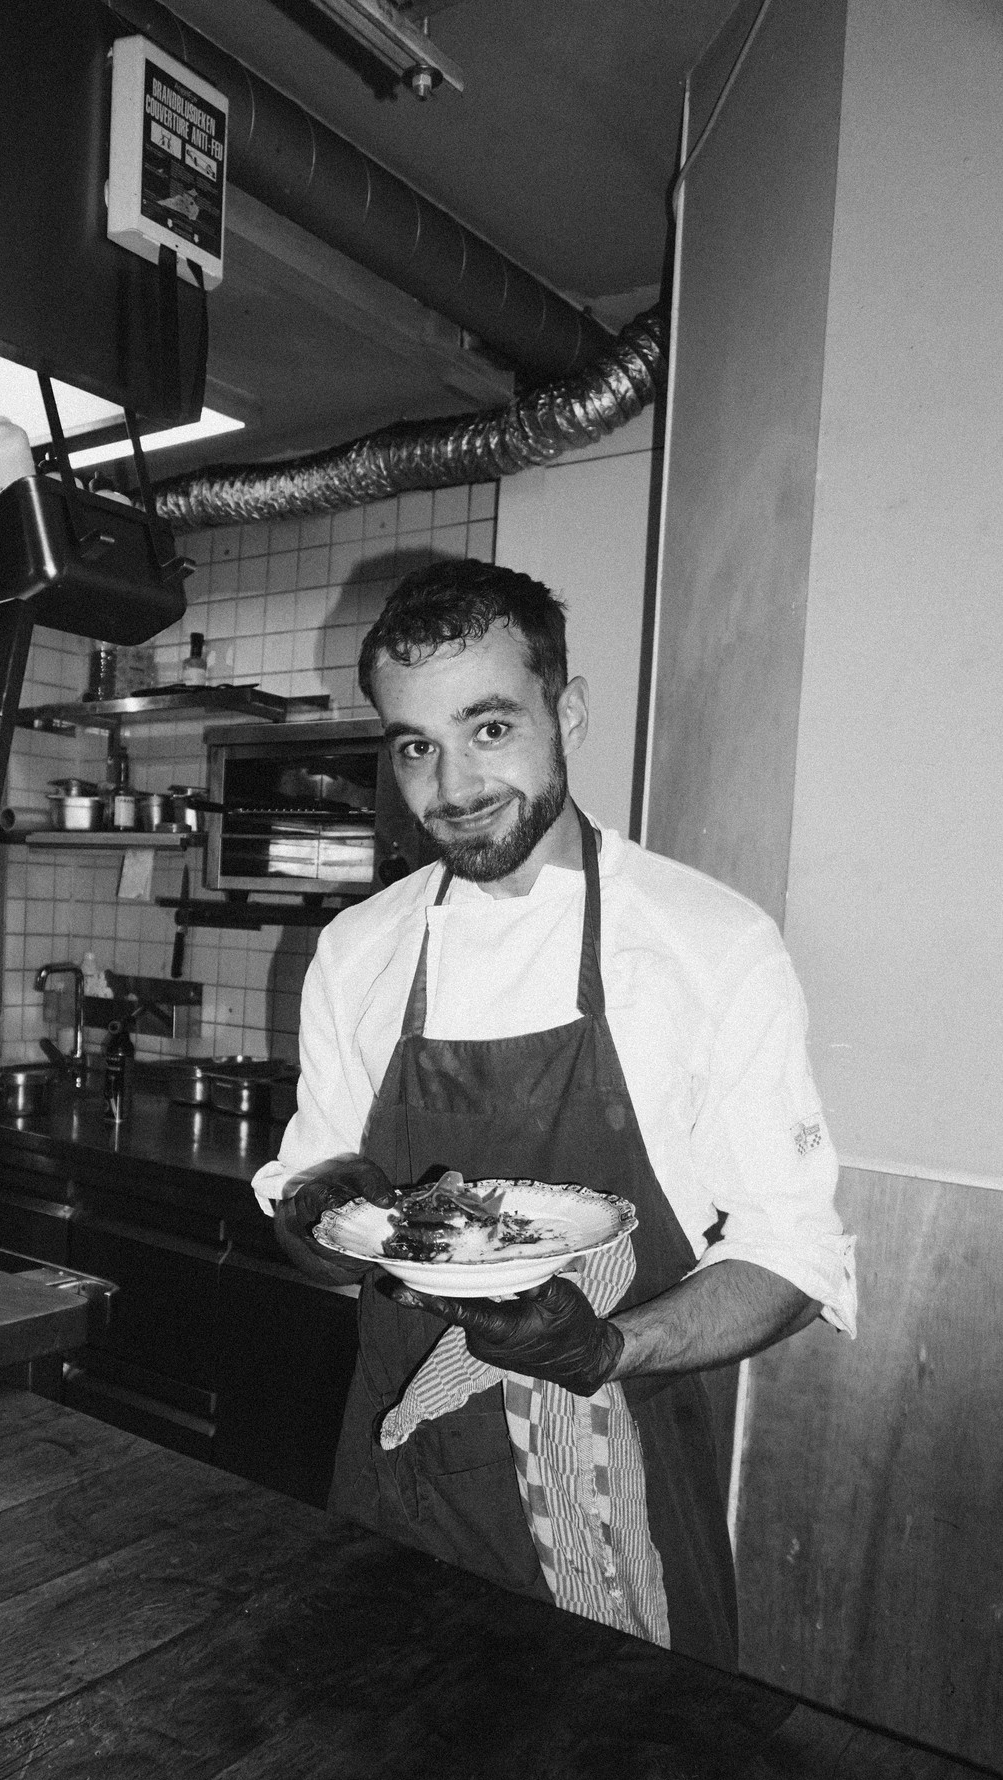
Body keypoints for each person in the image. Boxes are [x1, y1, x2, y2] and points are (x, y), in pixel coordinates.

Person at [252, 559, 856, 1671]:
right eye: (414, 745)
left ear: (566, 711)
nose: (451, 785)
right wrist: (316, 1215)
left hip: (614, 1481)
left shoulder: (707, 944)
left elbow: (794, 1254)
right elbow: (324, 1225)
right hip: (397, 1471)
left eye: (488, 728)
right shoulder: (359, 950)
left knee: (616, 1770)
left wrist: (609, 1344)